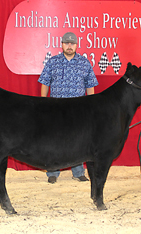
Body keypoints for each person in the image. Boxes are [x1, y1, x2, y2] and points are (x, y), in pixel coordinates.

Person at [38, 32, 99, 184]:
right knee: (54, 140)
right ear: (62, 44)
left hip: (78, 110)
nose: (69, 46)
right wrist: (43, 104)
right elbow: (45, 83)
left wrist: (91, 106)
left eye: (72, 43)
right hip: (56, 109)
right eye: (67, 43)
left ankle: (78, 172)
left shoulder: (84, 63)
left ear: (76, 45)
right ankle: (52, 171)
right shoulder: (53, 62)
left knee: (77, 141)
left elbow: (90, 86)